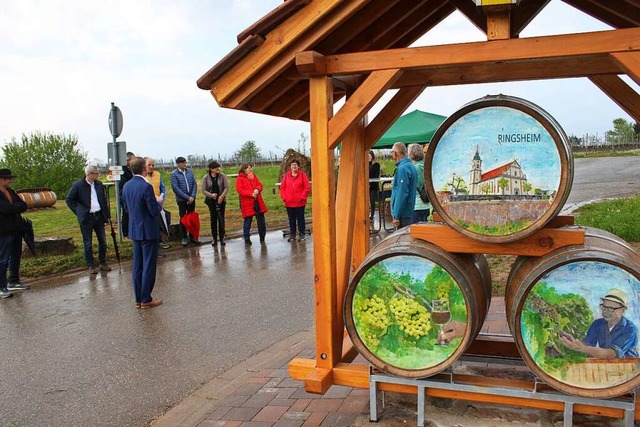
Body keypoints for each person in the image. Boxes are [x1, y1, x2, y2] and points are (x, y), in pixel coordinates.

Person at [122, 157, 163, 309]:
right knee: (148, 265)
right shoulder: (146, 187)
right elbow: (153, 210)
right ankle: (146, 298)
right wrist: (159, 203)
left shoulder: (126, 186)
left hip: (135, 229)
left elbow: (126, 209)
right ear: (144, 168)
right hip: (148, 230)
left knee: (137, 265)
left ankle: (138, 298)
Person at [559, 288, 638, 358]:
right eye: (604, 307)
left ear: (622, 310)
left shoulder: (630, 329)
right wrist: (573, 342)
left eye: (610, 308)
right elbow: (587, 345)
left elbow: (610, 354)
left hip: (629, 367)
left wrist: (581, 348)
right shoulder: (597, 324)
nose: (605, 311)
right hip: (606, 365)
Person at [66, 165, 112, 275]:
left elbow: (104, 201)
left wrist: (107, 216)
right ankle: (91, 265)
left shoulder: (99, 185)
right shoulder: (78, 185)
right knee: (88, 243)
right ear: (89, 174)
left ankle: (102, 262)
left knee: (103, 241)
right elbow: (69, 200)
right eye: (96, 173)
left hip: (99, 216)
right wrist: (79, 211)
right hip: (86, 218)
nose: (98, 175)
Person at [0, 169, 29, 298]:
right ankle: (2, 286)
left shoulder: (10, 191)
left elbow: (23, 204)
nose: (11, 180)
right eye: (8, 178)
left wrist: (14, 208)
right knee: (3, 259)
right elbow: (6, 209)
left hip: (16, 228)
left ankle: (13, 281)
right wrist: (15, 208)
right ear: (1, 180)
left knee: (16, 256)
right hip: (4, 231)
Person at [236, 163, 267, 246]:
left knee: (261, 221)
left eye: (250, 168)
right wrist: (250, 193)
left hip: (257, 201)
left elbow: (260, 184)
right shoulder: (240, 179)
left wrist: (257, 189)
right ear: (244, 169)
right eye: (248, 168)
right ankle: (247, 238)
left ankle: (262, 237)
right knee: (248, 221)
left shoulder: (253, 176)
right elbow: (240, 190)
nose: (250, 169)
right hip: (247, 202)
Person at [170, 156, 199, 246]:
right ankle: (184, 237)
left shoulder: (190, 172)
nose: (185, 165)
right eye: (183, 163)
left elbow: (194, 184)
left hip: (191, 198)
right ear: (178, 164)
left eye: (185, 163)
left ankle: (192, 236)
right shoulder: (174, 174)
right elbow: (175, 188)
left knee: (191, 217)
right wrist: (187, 197)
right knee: (183, 217)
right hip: (182, 200)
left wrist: (192, 196)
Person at [279, 159, 310, 242]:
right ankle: (292, 234)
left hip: (300, 202)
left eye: (295, 165)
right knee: (291, 219)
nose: (294, 166)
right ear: (290, 167)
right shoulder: (286, 176)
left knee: (300, 219)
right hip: (289, 203)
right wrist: (284, 198)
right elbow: (282, 188)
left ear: (298, 166)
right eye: (292, 165)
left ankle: (302, 234)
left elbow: (307, 188)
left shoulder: (303, 175)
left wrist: (302, 197)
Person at [390, 142, 417, 229]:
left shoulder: (402, 169)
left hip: (403, 214)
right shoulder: (411, 166)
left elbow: (401, 193)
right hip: (409, 210)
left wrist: (396, 215)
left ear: (395, 153)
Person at [202, 161, 229, 247]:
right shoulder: (206, 178)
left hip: (221, 200)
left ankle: (222, 238)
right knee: (213, 219)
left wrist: (222, 196)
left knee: (221, 219)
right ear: (211, 169)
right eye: (216, 167)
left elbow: (226, 187)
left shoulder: (223, 176)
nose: (218, 169)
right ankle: (214, 238)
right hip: (211, 201)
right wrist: (211, 195)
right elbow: (203, 190)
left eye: (219, 167)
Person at [145, 158, 170, 249]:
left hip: (158, 202)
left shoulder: (158, 175)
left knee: (159, 222)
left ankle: (161, 240)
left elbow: (162, 187)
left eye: (153, 165)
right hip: (148, 203)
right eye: (149, 165)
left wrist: (162, 197)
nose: (151, 167)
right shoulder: (143, 176)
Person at [408, 143, 430, 223]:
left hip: (416, 205)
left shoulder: (414, 169)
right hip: (426, 204)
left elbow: (416, 185)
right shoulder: (425, 166)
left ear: (411, 154)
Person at [118, 152, 135, 238]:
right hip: (124, 194)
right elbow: (123, 183)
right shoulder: (122, 170)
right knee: (126, 213)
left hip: (130, 193)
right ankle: (126, 232)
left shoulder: (130, 169)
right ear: (128, 160)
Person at [368, 150, 380, 222]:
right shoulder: (366, 164)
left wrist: (370, 184)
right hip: (367, 186)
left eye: (369, 156)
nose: (368, 157)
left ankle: (372, 215)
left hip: (373, 186)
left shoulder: (376, 165)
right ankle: (368, 213)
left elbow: (375, 175)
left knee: (372, 200)